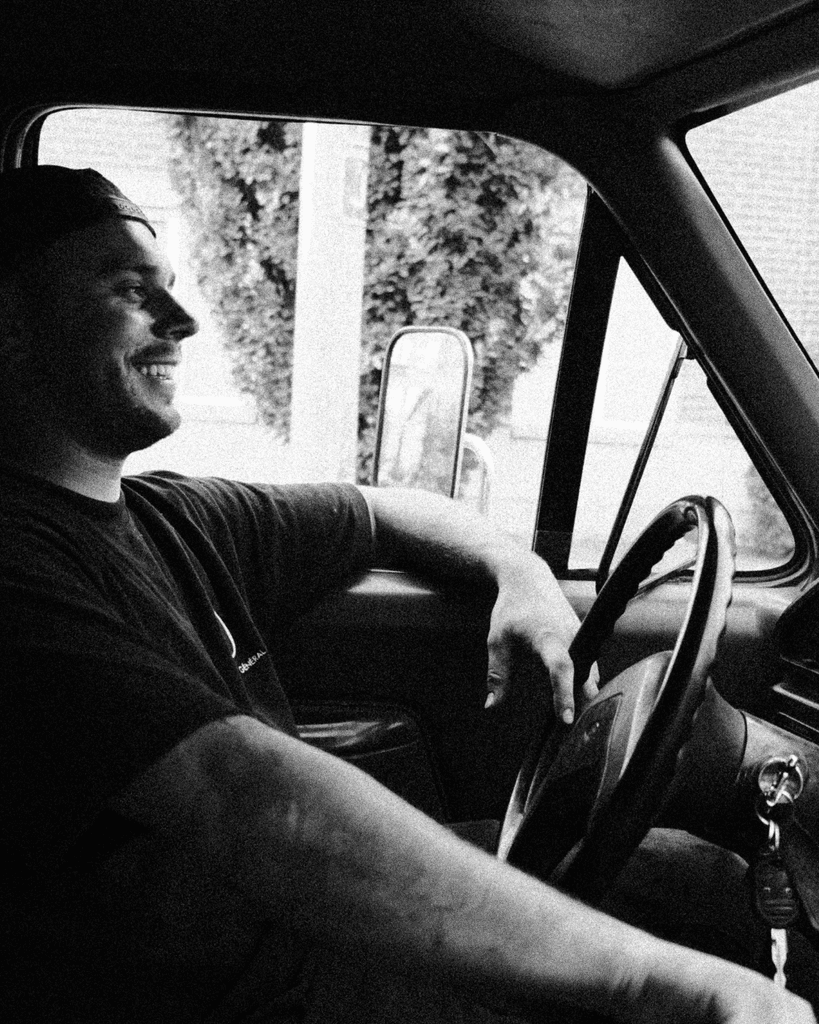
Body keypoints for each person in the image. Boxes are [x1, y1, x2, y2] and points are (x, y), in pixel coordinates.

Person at [0, 164, 813, 1024]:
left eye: (170, 286)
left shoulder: (172, 516)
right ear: (10, 322)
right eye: (132, 290)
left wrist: (520, 574)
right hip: (233, 996)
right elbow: (246, 795)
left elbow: (383, 511)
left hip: (299, 938)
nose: (184, 320)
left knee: (700, 881)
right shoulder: (18, 565)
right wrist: (655, 982)